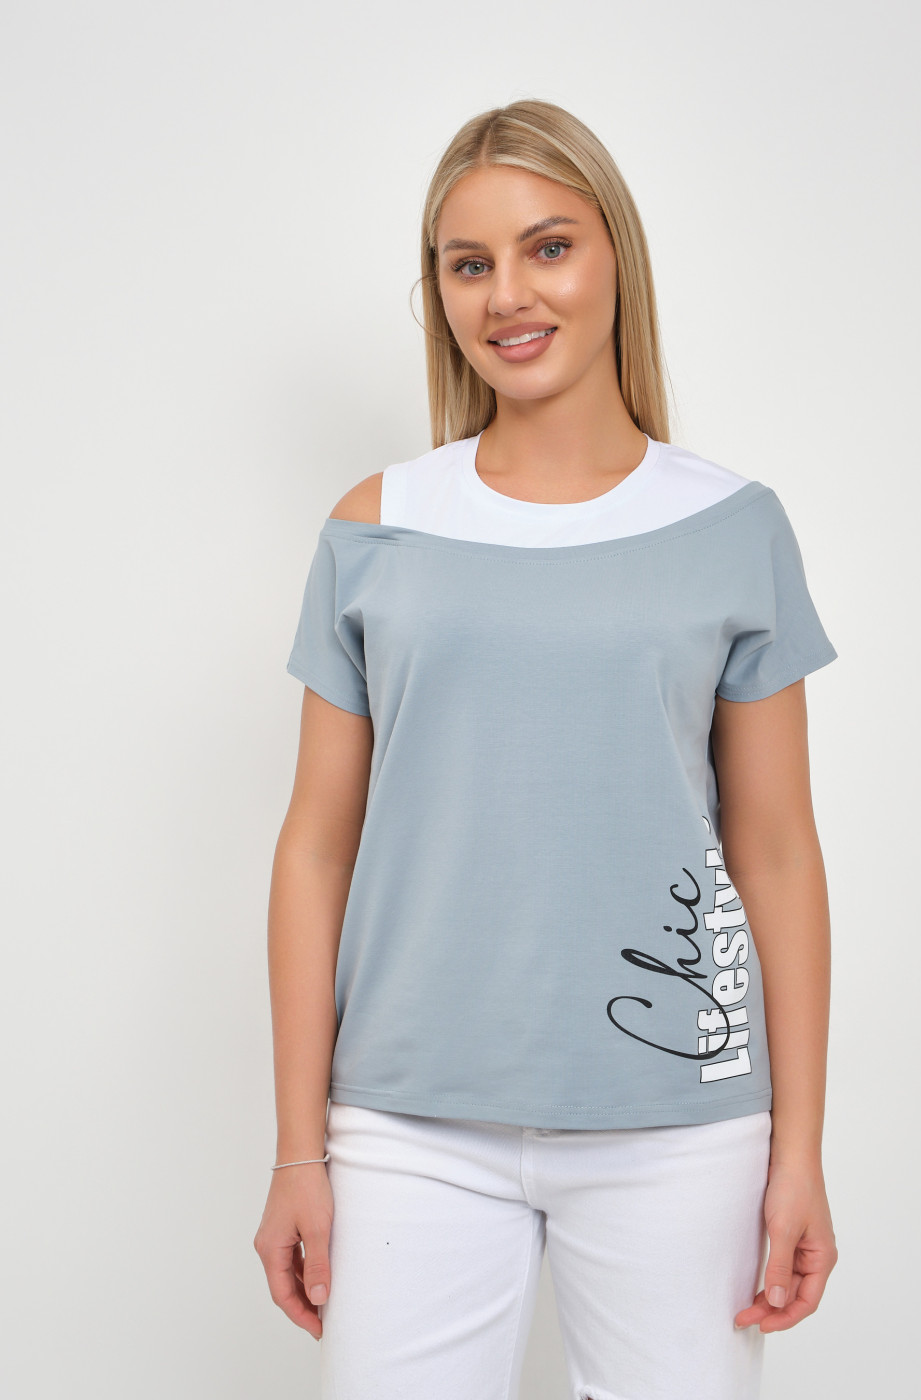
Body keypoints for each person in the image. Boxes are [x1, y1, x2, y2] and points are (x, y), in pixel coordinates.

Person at [254, 99, 839, 1400]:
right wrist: (300, 1150)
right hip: (406, 1122)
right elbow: (314, 849)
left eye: (548, 247)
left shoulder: (730, 526)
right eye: (468, 264)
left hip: (679, 1124)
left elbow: (777, 852)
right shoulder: (378, 526)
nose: (507, 294)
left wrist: (796, 1148)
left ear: (616, 254)